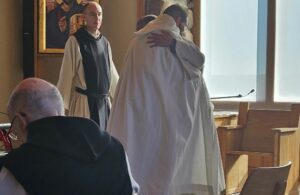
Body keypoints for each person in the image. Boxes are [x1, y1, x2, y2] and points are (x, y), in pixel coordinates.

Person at [108, 4, 225, 195]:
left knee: (140, 157)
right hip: (165, 115)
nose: (182, 30)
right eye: (184, 25)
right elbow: (199, 61)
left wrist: (174, 44)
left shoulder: (137, 41)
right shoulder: (172, 37)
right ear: (178, 20)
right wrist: (174, 43)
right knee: (163, 162)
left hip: (138, 113)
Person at [0, 78, 137, 195]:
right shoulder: (114, 149)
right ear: (60, 109)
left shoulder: (16, 167)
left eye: (13, 126)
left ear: (22, 120)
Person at [57, 1, 119, 131]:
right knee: (83, 145)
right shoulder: (75, 41)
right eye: (93, 14)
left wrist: (120, 95)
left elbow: (111, 74)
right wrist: (60, 107)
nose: (97, 18)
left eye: (100, 14)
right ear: (84, 17)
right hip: (84, 104)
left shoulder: (105, 43)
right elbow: (66, 75)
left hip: (104, 104)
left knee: (104, 144)